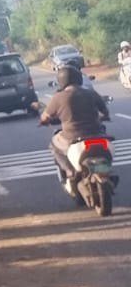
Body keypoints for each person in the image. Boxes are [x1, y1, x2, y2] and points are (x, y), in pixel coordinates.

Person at [39, 65, 111, 195]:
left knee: (54, 145)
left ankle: (69, 171)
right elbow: (105, 112)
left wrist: (44, 121)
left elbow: (45, 116)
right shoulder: (91, 93)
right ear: (79, 79)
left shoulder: (58, 97)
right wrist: (102, 117)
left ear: (61, 81)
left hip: (72, 137)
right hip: (97, 134)